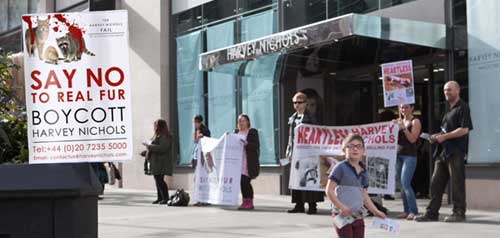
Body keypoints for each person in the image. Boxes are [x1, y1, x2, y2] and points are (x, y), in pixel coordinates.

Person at [415, 81, 473, 222]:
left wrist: (444, 137)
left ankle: (459, 213)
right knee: (436, 183)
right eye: (445, 90)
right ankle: (431, 213)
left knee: (457, 183)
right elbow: (445, 131)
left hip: (455, 152)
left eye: (449, 90)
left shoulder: (463, 107)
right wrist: (435, 137)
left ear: (457, 91)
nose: (447, 92)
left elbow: (464, 129)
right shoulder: (448, 110)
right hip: (442, 152)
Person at [326, 133, 386, 238]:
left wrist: (376, 211)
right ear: (344, 150)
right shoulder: (340, 167)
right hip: (342, 216)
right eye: (351, 146)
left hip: (358, 216)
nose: (355, 149)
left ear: (363, 151)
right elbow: (329, 191)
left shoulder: (364, 171)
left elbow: (365, 196)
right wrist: (342, 207)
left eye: (358, 146)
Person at [286, 92, 324, 214]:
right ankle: (299, 204)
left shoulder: (311, 117)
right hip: (296, 152)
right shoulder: (293, 118)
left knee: (310, 177)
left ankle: (312, 205)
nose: (297, 105)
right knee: (297, 178)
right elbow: (290, 137)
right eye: (295, 102)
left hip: (309, 152)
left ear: (305, 103)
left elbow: (317, 132)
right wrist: (289, 151)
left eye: (300, 102)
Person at [393, 104, 422, 220]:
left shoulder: (415, 121)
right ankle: (406, 210)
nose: (403, 110)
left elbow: (413, 139)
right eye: (401, 108)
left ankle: (413, 211)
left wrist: (403, 128)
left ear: (412, 108)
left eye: (406, 107)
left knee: (406, 183)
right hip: (398, 155)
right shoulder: (399, 121)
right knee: (401, 184)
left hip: (409, 156)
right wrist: (393, 127)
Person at [143, 119, 174, 205]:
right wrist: (145, 152)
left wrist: (149, 146)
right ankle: (160, 198)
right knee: (157, 180)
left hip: (161, 162)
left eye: (155, 126)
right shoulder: (157, 136)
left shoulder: (165, 136)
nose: (154, 127)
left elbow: (162, 148)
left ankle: (165, 198)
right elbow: (155, 147)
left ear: (159, 126)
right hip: (156, 162)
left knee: (160, 180)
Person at [234, 114, 260, 210]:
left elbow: (256, 145)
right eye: (240, 121)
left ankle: (250, 202)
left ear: (248, 122)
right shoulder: (236, 132)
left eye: (243, 120)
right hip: (238, 161)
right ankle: (245, 201)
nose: (241, 122)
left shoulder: (252, 132)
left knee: (246, 182)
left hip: (248, 161)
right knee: (241, 182)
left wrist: (247, 144)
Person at [192, 115, 211, 206]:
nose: (194, 124)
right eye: (194, 122)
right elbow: (195, 142)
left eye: (196, 122)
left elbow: (208, 142)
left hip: (203, 157)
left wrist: (202, 137)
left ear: (199, 122)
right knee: (197, 179)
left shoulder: (205, 130)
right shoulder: (196, 130)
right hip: (197, 156)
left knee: (204, 178)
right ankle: (199, 198)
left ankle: (205, 199)